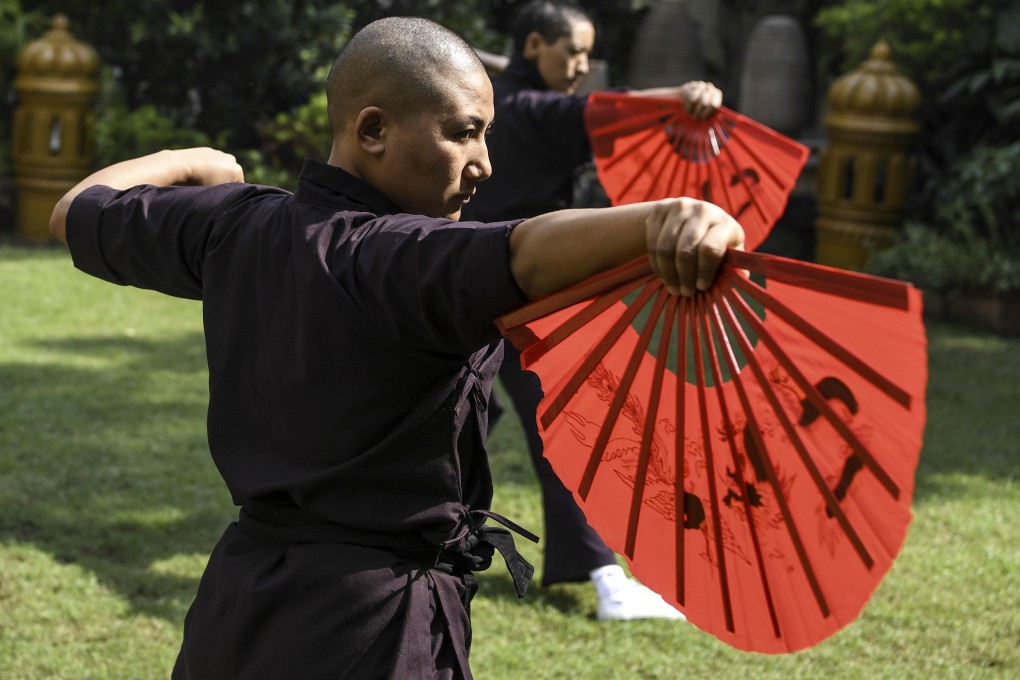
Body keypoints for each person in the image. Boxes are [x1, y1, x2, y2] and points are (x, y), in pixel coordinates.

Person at [49, 16, 743, 680]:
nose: (484, 165)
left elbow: (75, 209)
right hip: (371, 632)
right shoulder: (399, 258)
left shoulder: (234, 227)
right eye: (464, 134)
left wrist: (186, 158)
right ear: (373, 129)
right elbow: (524, 251)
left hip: (238, 608)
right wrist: (669, 216)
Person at [461, 0, 723, 621]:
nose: (582, 65)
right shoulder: (525, 110)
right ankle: (607, 580)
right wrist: (678, 98)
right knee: (568, 425)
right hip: (516, 299)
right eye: (573, 51)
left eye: (586, 53)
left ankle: (415, 525)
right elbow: (603, 109)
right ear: (532, 47)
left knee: (469, 416)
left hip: (485, 291)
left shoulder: (504, 105)